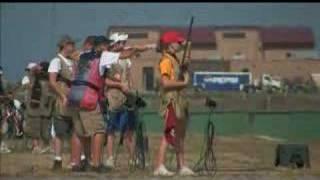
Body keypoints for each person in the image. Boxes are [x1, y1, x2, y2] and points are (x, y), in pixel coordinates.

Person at [103, 32, 155, 168]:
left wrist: (132, 91)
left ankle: (133, 159)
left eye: (124, 42)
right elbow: (105, 81)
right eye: (120, 42)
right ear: (113, 43)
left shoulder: (127, 59)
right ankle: (109, 158)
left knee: (129, 130)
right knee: (111, 130)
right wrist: (119, 85)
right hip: (113, 97)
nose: (123, 45)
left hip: (127, 98)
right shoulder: (108, 59)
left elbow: (130, 77)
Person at [154, 31, 195, 176]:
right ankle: (159, 166)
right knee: (168, 133)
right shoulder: (166, 61)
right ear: (169, 44)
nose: (179, 44)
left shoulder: (175, 59)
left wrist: (187, 48)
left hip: (180, 100)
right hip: (171, 100)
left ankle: (181, 165)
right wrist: (182, 83)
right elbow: (165, 83)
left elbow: (186, 63)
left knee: (180, 134)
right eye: (177, 42)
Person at [48, 35, 82, 171]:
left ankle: (75, 161)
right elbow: (52, 82)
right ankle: (58, 160)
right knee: (60, 131)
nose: (73, 47)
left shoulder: (73, 62)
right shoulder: (56, 61)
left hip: (75, 99)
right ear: (65, 46)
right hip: (63, 100)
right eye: (71, 44)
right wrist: (62, 96)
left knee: (76, 130)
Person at [24, 62, 53, 154]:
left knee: (41, 129)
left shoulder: (45, 81)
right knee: (36, 128)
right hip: (40, 109)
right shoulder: (47, 81)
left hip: (38, 109)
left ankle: (43, 146)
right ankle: (38, 146)